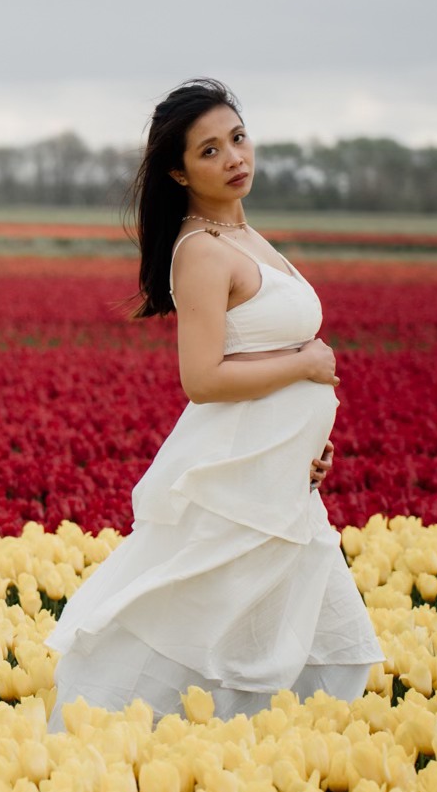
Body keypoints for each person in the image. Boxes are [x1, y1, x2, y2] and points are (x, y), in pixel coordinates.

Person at [45, 79, 384, 726]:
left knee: (281, 625)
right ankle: (112, 738)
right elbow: (201, 377)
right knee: (203, 610)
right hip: (235, 476)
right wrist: (308, 363)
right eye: (209, 151)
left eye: (237, 137)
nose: (234, 157)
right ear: (179, 172)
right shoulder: (202, 251)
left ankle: (249, 754)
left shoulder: (252, 240)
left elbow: (258, 359)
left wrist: (308, 440)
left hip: (279, 475)